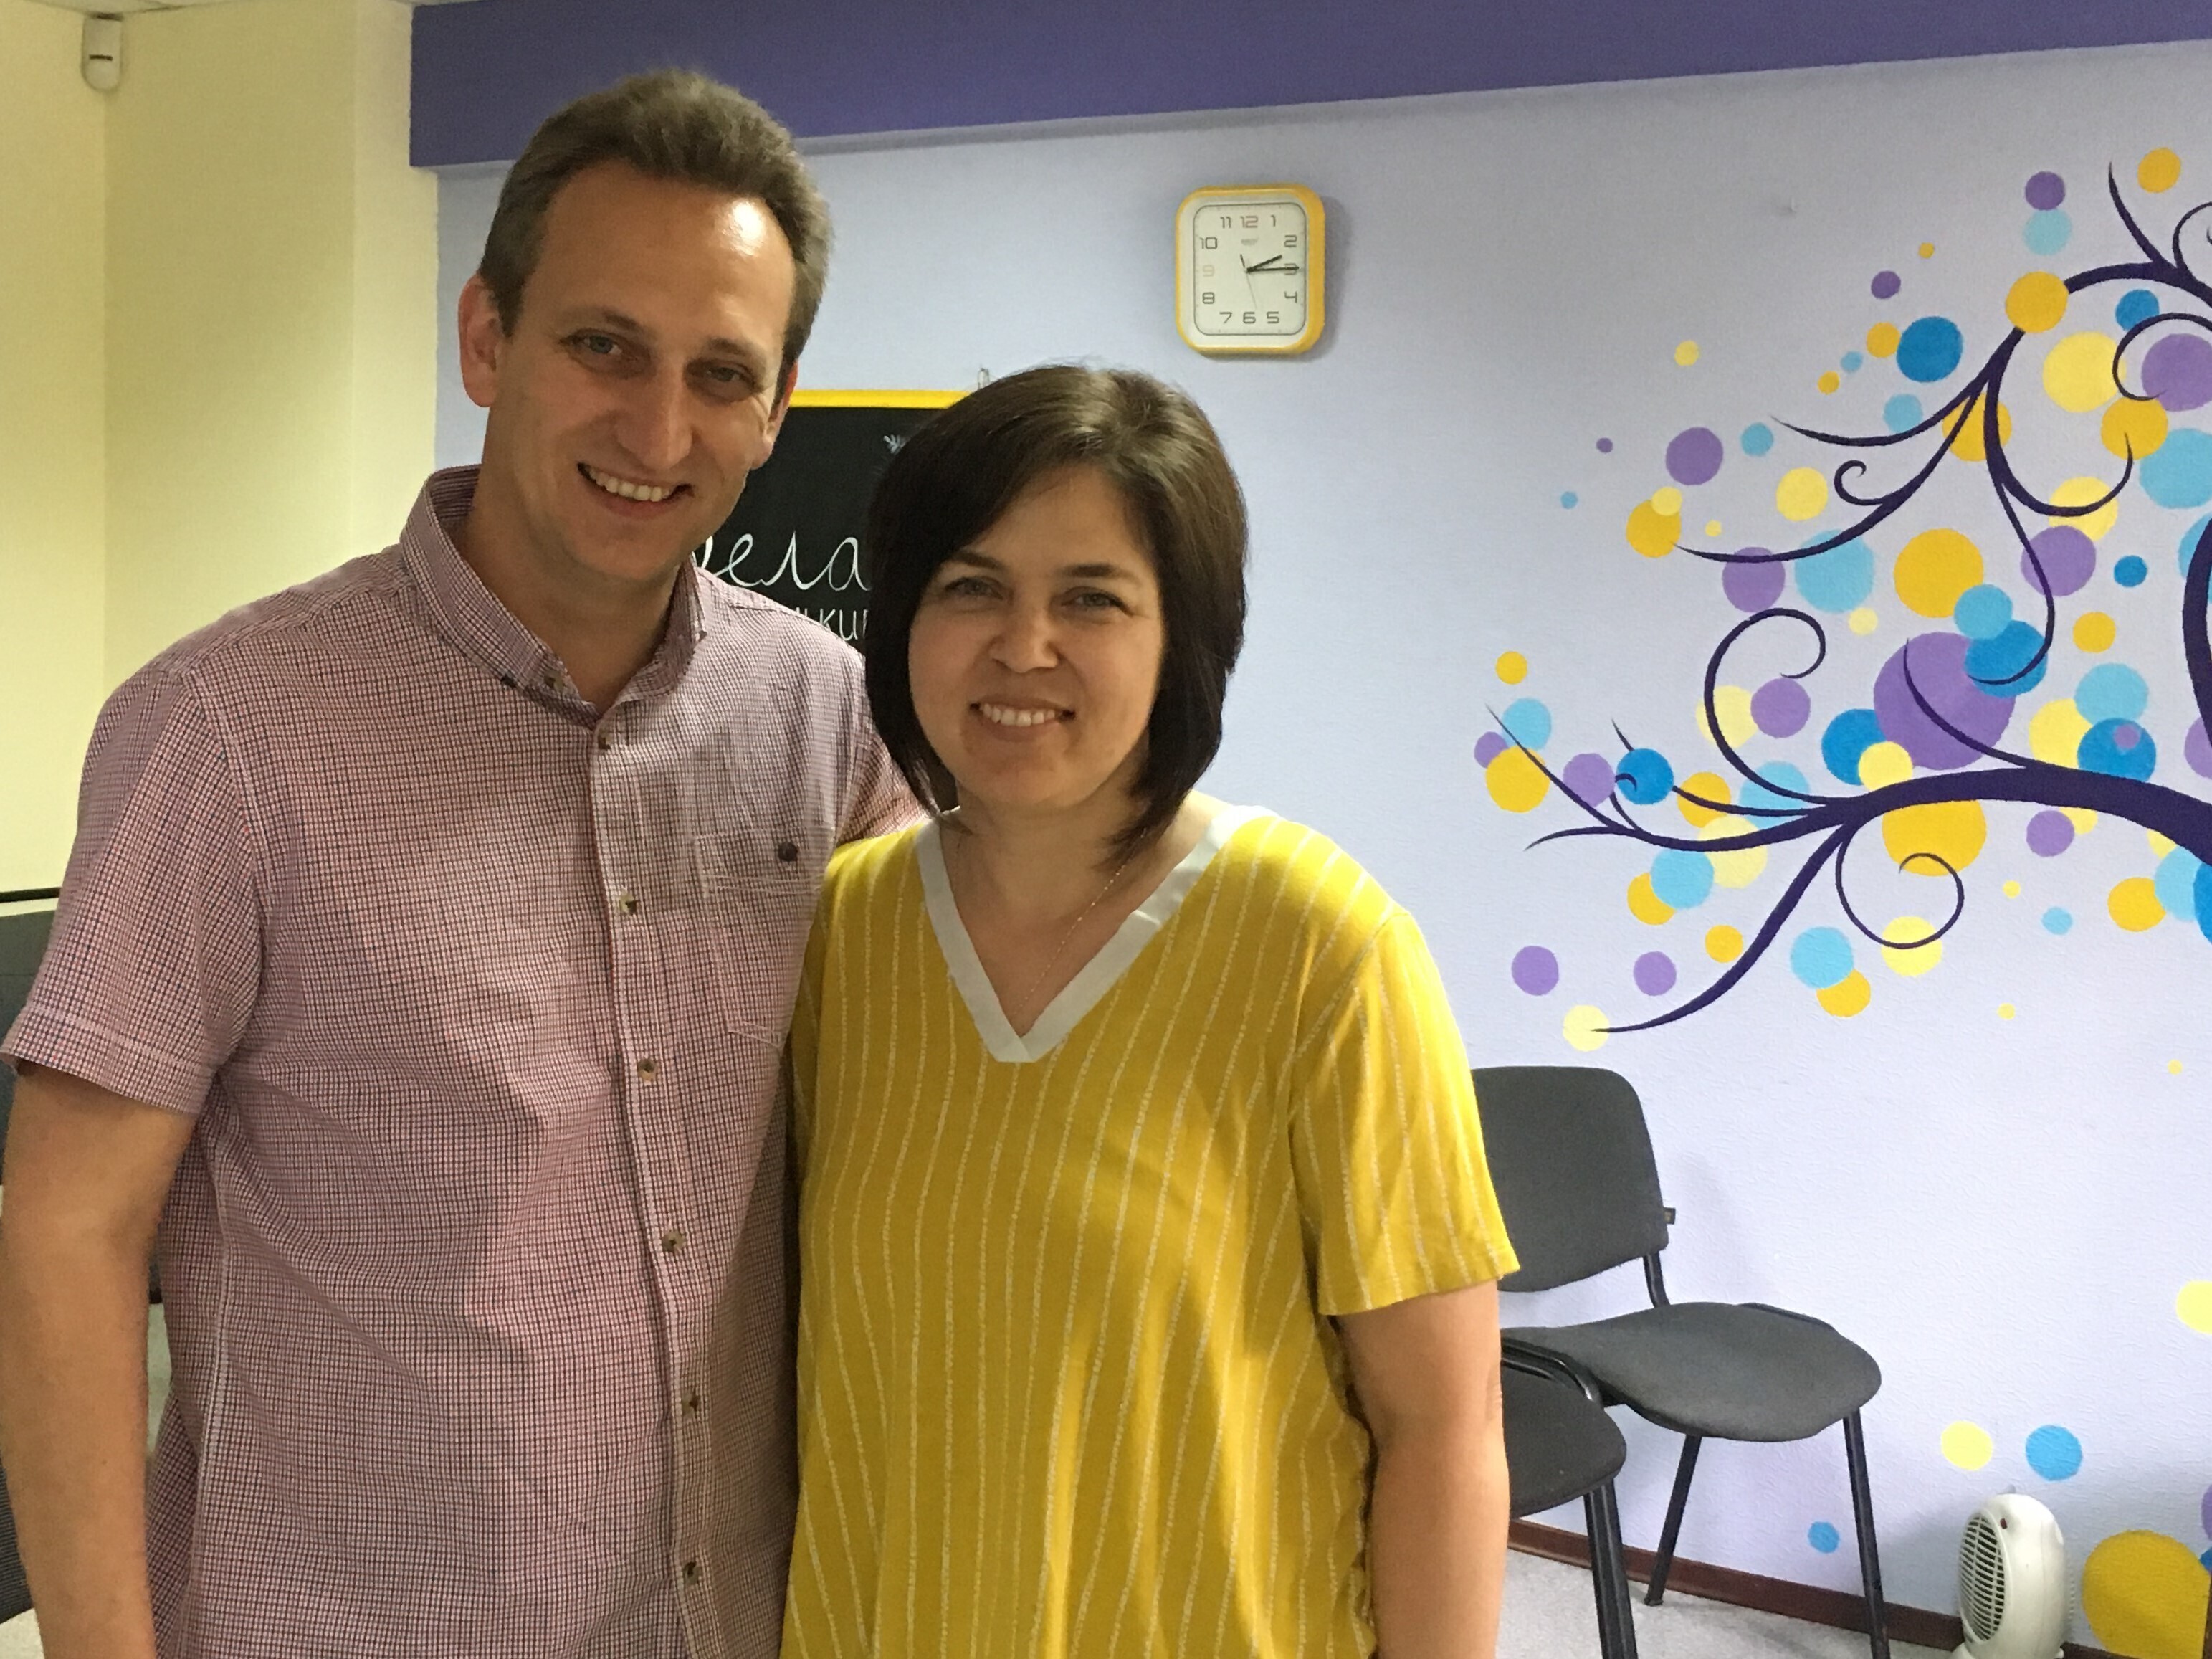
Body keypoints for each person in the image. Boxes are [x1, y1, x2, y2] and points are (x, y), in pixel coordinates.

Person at [0, 71, 908, 1659]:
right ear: (487, 337)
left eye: (720, 374)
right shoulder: (226, 730)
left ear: (776, 411)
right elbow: (69, 1230)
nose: (657, 428)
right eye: (602, 346)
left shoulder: (822, 717)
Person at [781, 364, 1517, 1659]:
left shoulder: (1319, 947)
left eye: (1092, 599)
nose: (1024, 647)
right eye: (971, 587)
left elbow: (1441, 1430)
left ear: (1186, 635)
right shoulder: (839, 939)